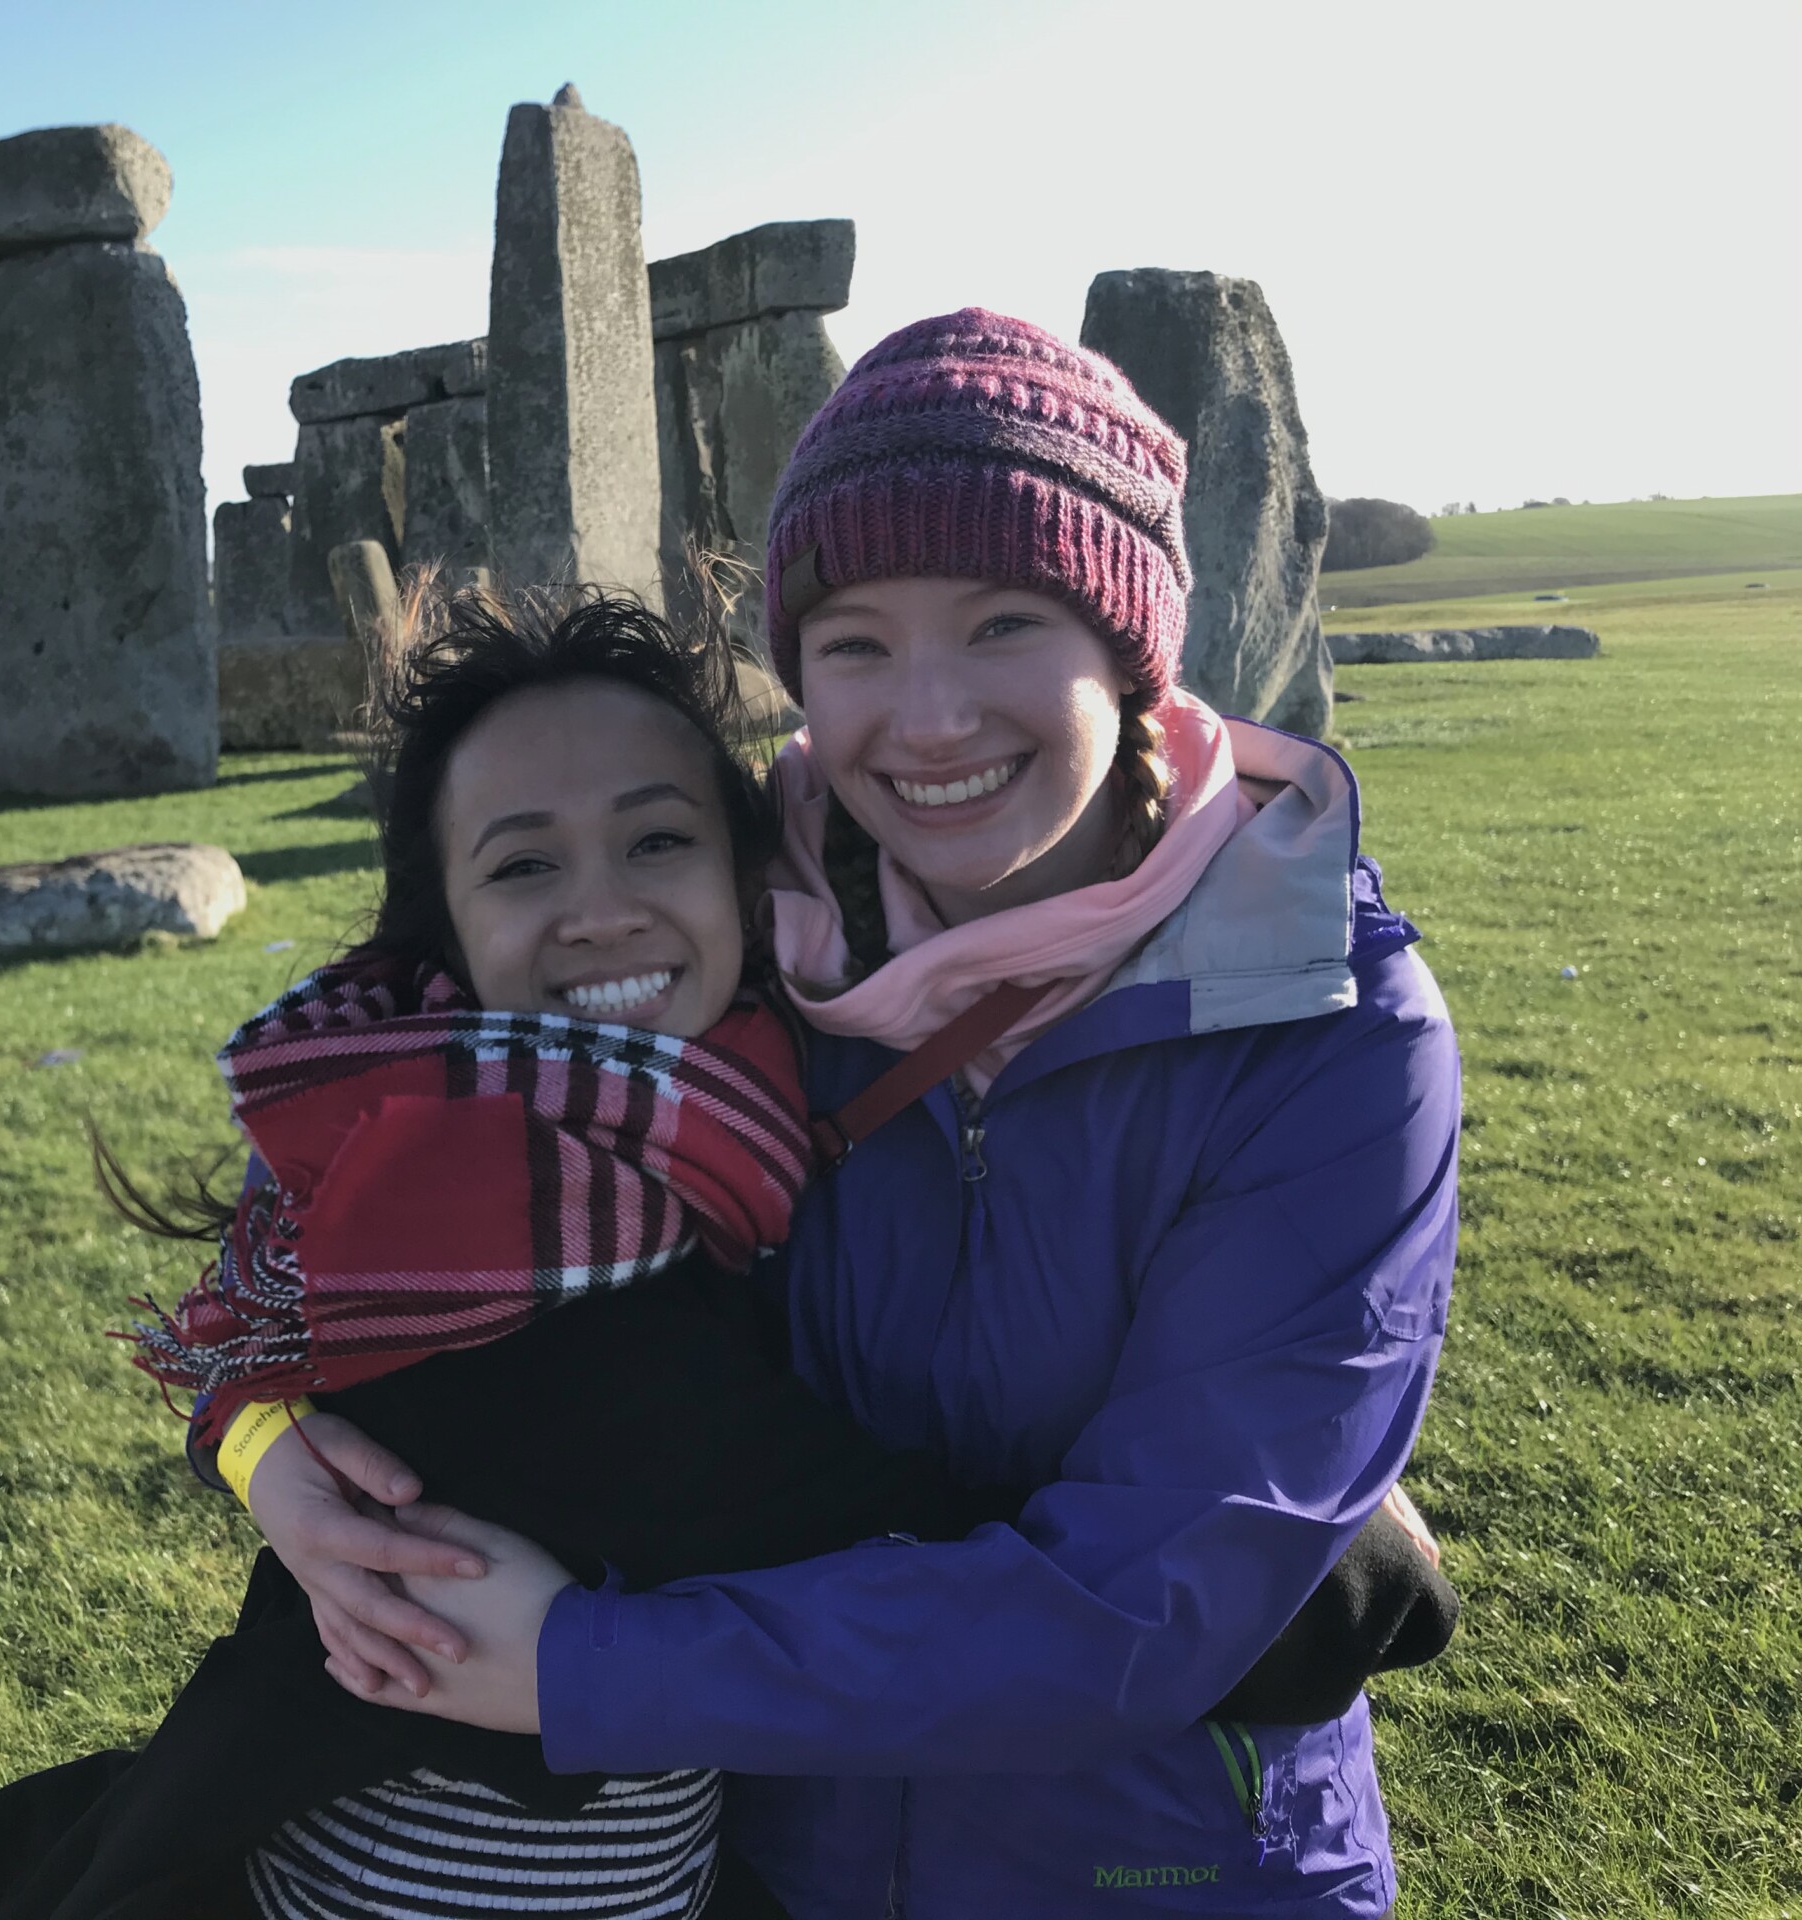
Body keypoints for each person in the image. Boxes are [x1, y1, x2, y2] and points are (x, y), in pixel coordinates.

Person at [0, 578, 1449, 1920]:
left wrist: (252, 1432)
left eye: (657, 842)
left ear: (751, 879)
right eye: (520, 866)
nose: (602, 913)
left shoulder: (743, 1097)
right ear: (441, 934)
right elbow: (809, 1507)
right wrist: (1315, 1584)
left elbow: (255, 1326)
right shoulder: (484, 1219)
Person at [235, 311, 1463, 1917]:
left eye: (1007, 620)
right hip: (783, 1867)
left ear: (1130, 641)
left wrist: (585, 1666)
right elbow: (355, 1199)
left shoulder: (1328, 1030)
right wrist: (260, 1443)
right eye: (859, 644)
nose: (930, 716)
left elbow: (1145, 1606)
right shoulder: (738, 954)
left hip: (1160, 1863)